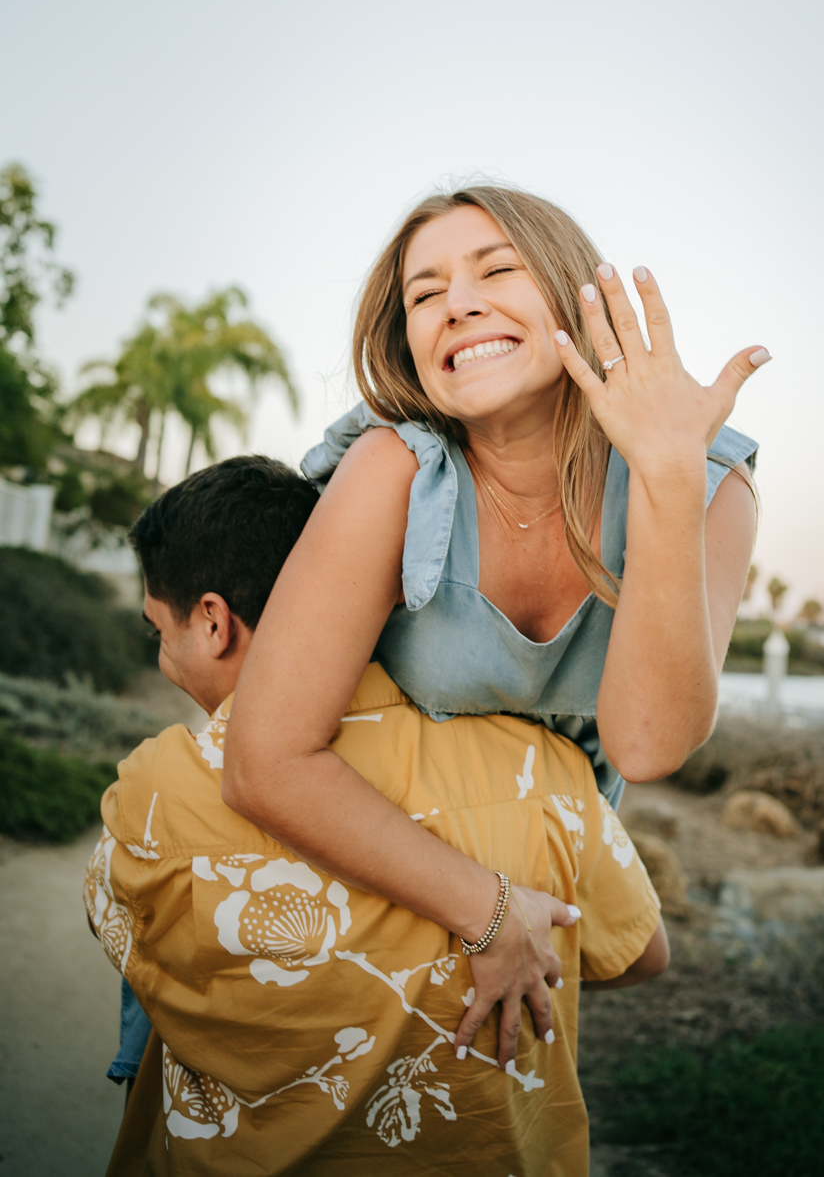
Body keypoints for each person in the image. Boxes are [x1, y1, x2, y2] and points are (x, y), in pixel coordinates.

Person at [223, 185, 763, 1066]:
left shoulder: (704, 484)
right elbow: (265, 759)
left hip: (548, 868)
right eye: (424, 295)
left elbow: (648, 745)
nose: (457, 304)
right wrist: (485, 907)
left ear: (573, 294)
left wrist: (664, 477)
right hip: (374, 854)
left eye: (496, 270)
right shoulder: (394, 469)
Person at [87, 456, 666, 1176]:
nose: (164, 656)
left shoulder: (157, 793)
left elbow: (134, 954)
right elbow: (642, 954)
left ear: (212, 621)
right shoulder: (544, 768)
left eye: (157, 632)